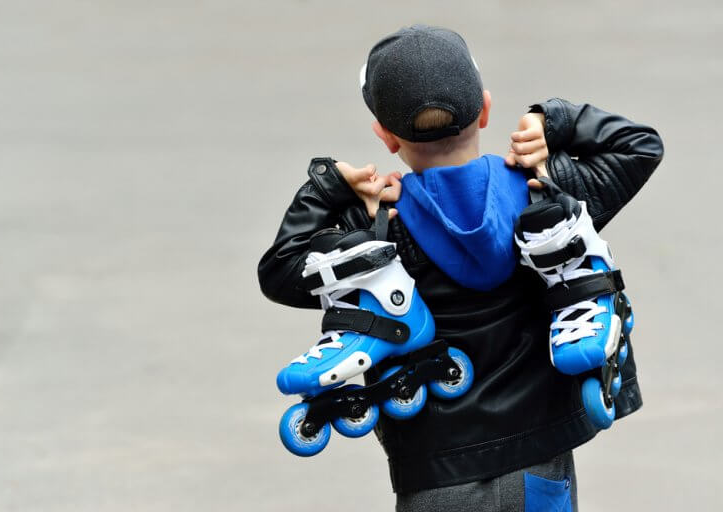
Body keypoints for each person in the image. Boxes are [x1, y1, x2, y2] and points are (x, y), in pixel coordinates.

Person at [258, 25, 663, 511]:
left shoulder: (377, 228)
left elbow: (281, 269)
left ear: (386, 138)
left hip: (435, 479)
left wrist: (326, 189)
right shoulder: (546, 195)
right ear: (486, 111)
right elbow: (640, 146)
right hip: (538, 463)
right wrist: (553, 122)